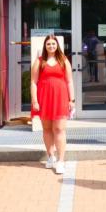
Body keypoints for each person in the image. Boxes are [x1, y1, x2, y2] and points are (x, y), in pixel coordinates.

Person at [31, 35, 75, 175]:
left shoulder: (64, 60)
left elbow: (69, 81)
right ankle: (51, 157)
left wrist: (71, 100)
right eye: (48, 44)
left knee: (59, 129)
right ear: (45, 46)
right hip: (44, 98)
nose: (51, 46)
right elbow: (33, 82)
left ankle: (61, 161)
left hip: (60, 98)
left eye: (53, 44)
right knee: (47, 128)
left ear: (57, 45)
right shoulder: (39, 61)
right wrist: (34, 101)